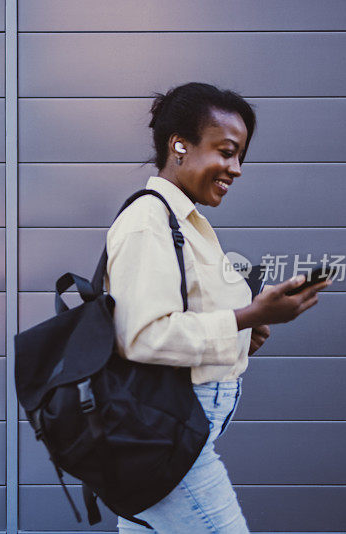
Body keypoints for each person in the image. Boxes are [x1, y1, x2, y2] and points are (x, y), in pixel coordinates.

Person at [107, 82, 332, 533]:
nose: (237, 168)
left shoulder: (189, 225)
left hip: (172, 432)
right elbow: (144, 336)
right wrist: (251, 316)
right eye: (226, 152)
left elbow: (190, 329)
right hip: (168, 439)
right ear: (180, 146)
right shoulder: (148, 223)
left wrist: (248, 332)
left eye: (241, 156)